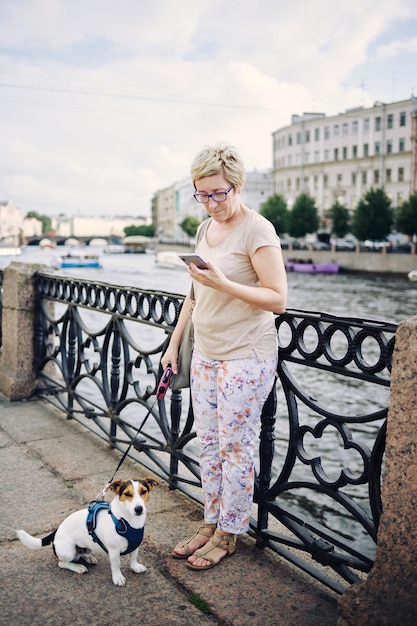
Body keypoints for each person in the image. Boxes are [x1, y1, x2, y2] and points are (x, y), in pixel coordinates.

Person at [161, 142, 287, 571]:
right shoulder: (204, 229)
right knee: (210, 445)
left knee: (236, 448)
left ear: (236, 185)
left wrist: (222, 284)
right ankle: (210, 521)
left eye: (218, 193)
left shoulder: (258, 230)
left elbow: (278, 299)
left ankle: (229, 533)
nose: (211, 203)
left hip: (245, 356)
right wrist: (174, 344)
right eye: (202, 194)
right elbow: (193, 295)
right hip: (207, 353)